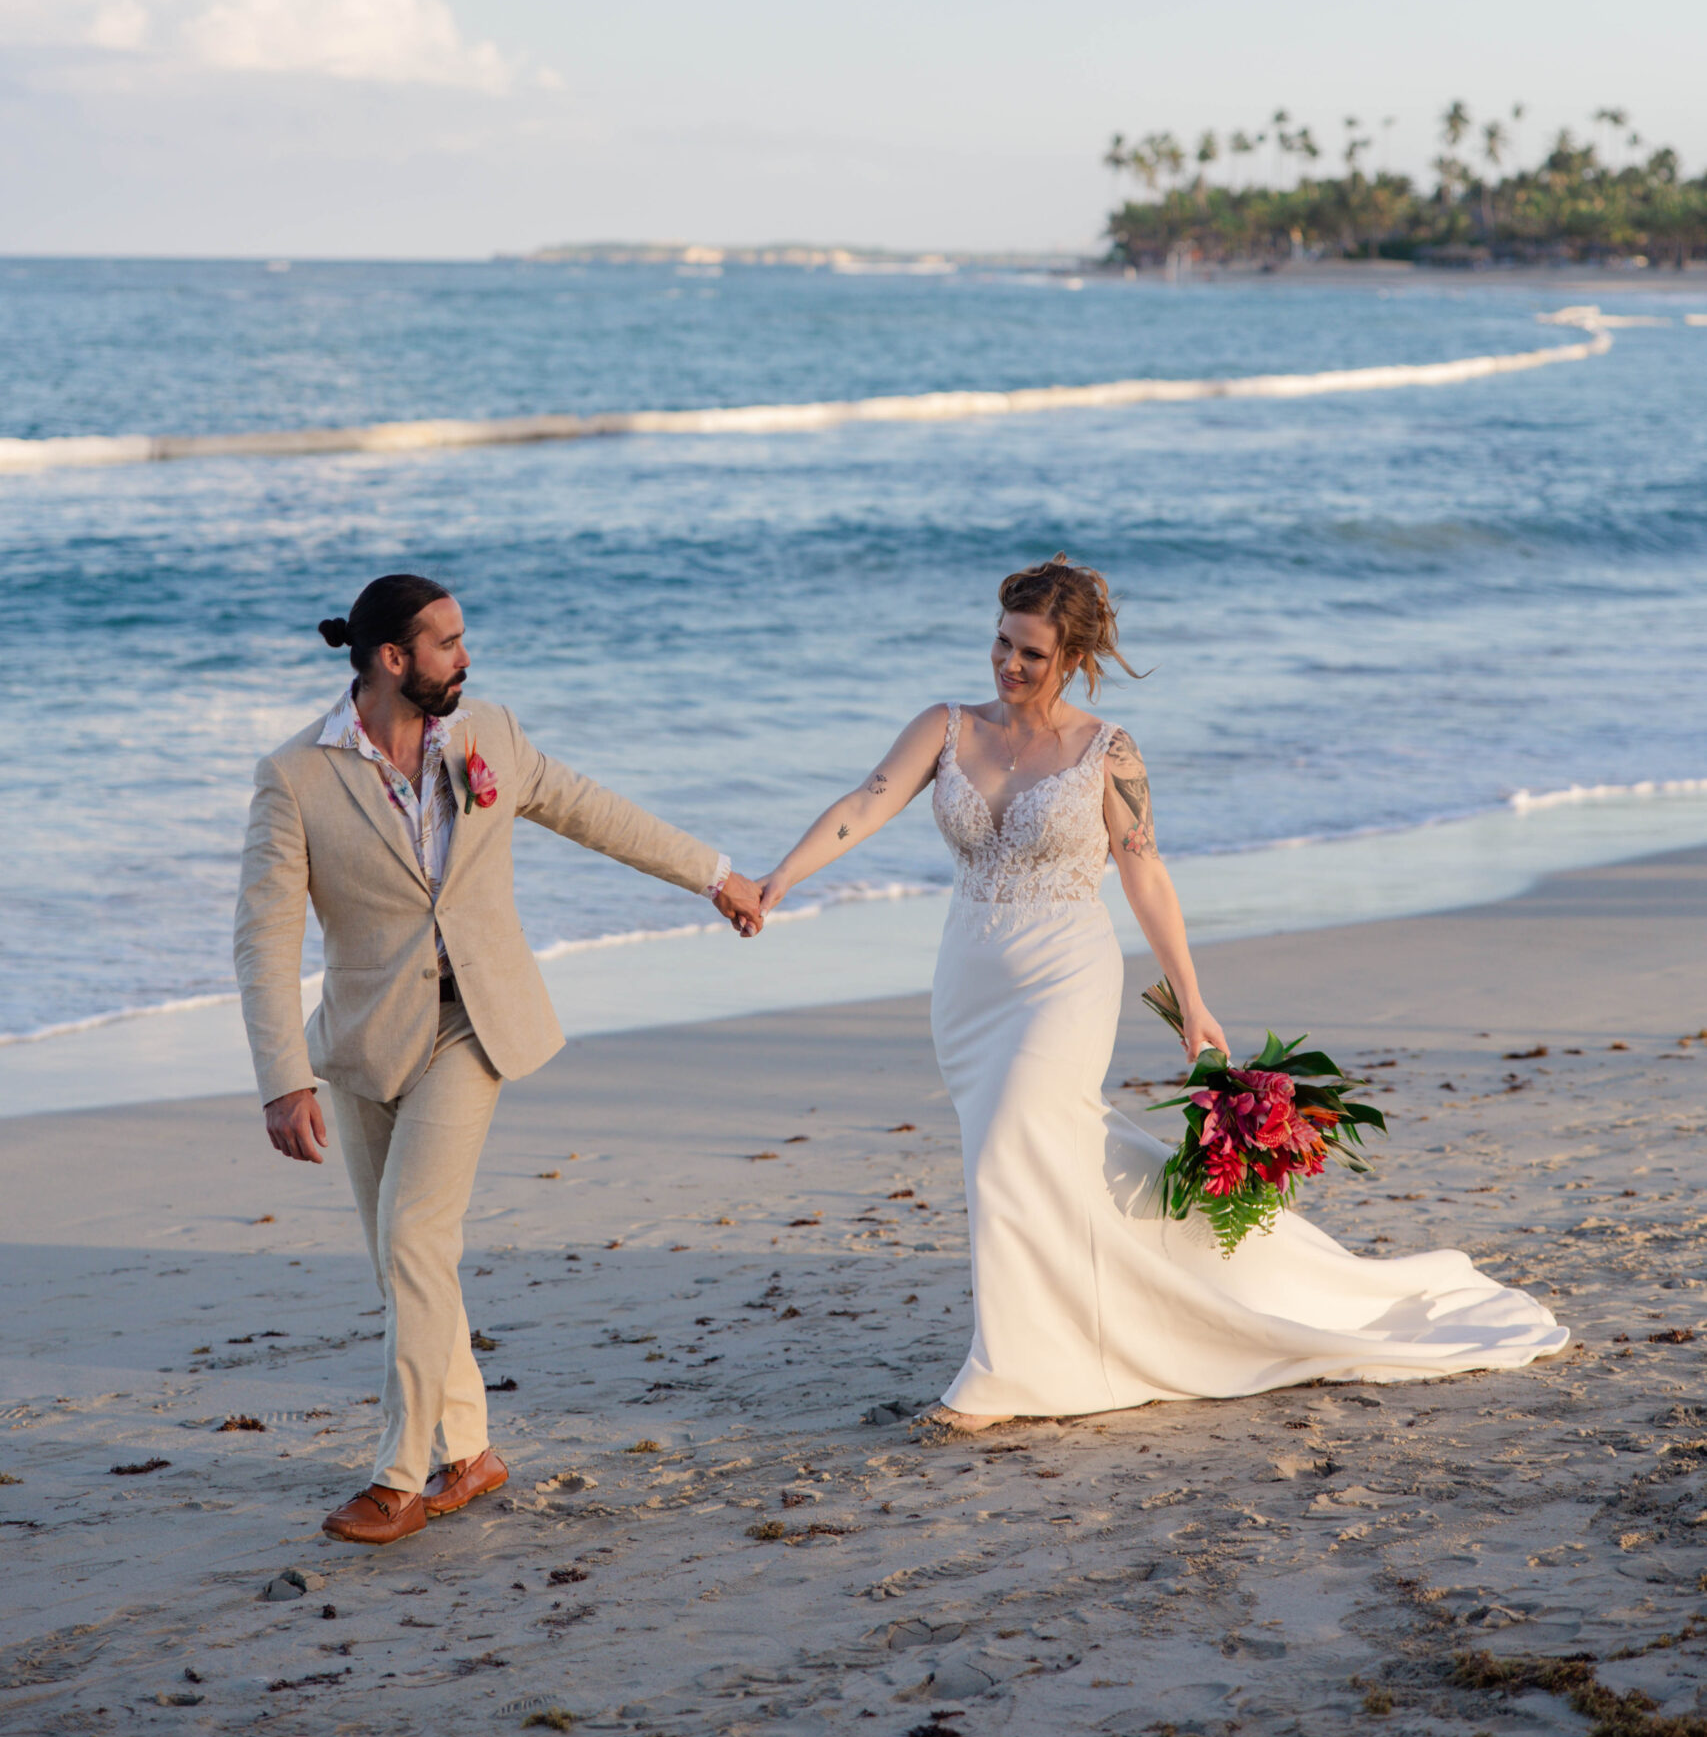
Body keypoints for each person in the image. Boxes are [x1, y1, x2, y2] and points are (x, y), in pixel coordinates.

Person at [759, 554, 1564, 1430]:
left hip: (1062, 972)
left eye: (1031, 653)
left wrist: (1191, 1000)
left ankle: (1001, 1376)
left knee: (1010, 1145)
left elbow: (1143, 876)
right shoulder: (944, 728)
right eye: (1001, 643)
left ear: (1072, 658)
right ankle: (1072, 1333)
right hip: (967, 979)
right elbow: (862, 804)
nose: (1009, 665)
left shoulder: (1107, 751)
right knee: (1023, 1156)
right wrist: (778, 882)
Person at [234, 573, 763, 1542]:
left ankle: (397, 1475)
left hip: (473, 1024)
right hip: (360, 1042)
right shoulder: (296, 777)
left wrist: (715, 875)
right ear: (392, 660)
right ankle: (470, 1452)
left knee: (412, 1237)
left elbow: (591, 809)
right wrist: (283, 1078)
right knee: (405, 1260)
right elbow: (264, 937)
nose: (466, 656)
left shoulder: (490, 737)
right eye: (447, 643)